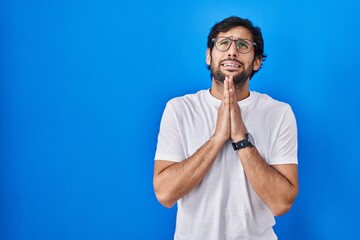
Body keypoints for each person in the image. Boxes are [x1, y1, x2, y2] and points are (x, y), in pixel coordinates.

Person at [153, 16, 298, 240]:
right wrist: (217, 139)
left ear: (257, 61)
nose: (232, 52)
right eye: (223, 43)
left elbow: (281, 203)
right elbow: (165, 194)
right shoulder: (179, 109)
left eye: (243, 45)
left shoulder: (279, 113)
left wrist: (241, 138)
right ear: (209, 56)